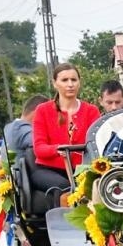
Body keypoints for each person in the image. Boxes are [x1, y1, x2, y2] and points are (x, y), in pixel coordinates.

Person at [30, 64, 101, 206]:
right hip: (47, 170)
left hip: (82, 169)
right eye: (65, 80)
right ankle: (65, 226)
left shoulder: (91, 111)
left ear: (79, 82)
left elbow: (97, 143)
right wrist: (57, 149)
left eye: (74, 80)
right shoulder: (43, 110)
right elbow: (39, 148)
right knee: (66, 187)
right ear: (55, 83)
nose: (70, 84)